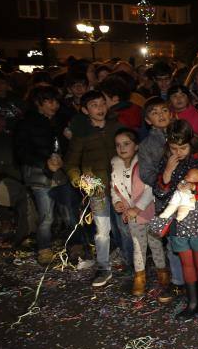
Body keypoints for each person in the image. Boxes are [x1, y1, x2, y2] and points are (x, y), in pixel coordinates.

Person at [155, 120, 198, 324]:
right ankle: (193, 303)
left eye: (182, 147)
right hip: (178, 221)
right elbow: (159, 193)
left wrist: (194, 188)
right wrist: (166, 172)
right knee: (186, 262)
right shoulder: (168, 159)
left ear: (191, 142)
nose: (178, 152)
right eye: (173, 148)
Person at [64, 90, 123, 287]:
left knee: (123, 227)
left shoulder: (117, 128)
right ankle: (103, 267)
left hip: (120, 184)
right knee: (102, 229)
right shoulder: (82, 134)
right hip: (96, 186)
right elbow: (72, 163)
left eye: (102, 104)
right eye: (94, 105)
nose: (99, 109)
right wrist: (80, 180)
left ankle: (131, 262)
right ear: (85, 110)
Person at [15, 85, 73, 265]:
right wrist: (44, 162)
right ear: (38, 103)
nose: (54, 105)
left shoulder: (59, 120)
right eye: (49, 101)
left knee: (69, 212)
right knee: (47, 214)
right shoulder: (27, 123)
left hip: (61, 172)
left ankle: (74, 244)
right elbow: (21, 152)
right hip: (39, 174)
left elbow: (65, 146)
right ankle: (44, 248)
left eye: (56, 101)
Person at [110, 128, 166, 297]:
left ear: (136, 146)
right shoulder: (115, 165)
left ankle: (162, 272)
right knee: (138, 246)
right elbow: (114, 189)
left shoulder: (143, 163)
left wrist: (137, 207)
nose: (122, 148)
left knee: (155, 244)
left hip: (148, 211)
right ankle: (139, 277)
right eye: (118, 145)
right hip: (132, 214)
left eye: (126, 144)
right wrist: (117, 202)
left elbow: (150, 189)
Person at [138, 97, 184, 302]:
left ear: (171, 113)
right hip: (166, 199)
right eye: (155, 112)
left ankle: (195, 279)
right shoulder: (147, 144)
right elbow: (146, 174)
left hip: (190, 195)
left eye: (164, 110)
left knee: (192, 238)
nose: (161, 115)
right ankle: (177, 281)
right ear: (148, 120)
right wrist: (166, 173)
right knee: (173, 241)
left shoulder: (184, 133)